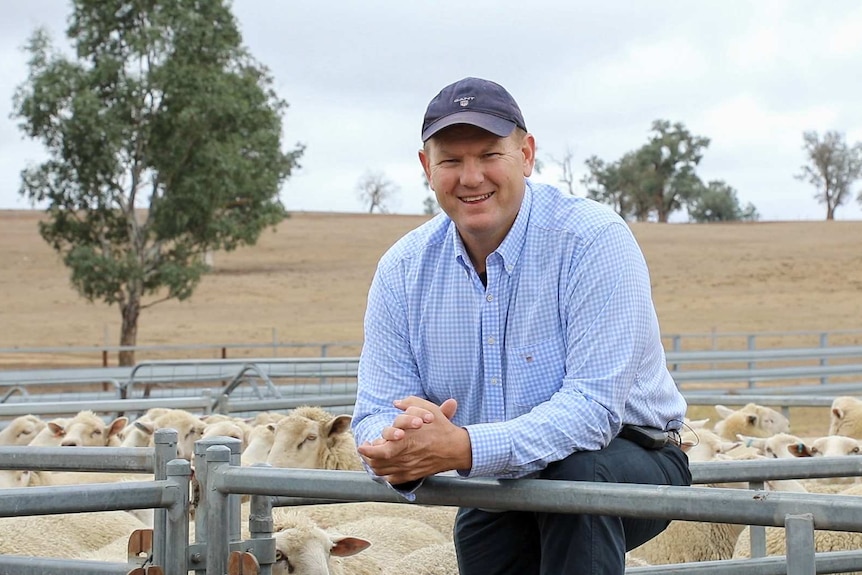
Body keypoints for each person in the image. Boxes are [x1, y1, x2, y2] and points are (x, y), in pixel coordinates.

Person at [351, 76, 691, 575]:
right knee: (484, 531)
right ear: (426, 167)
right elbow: (373, 411)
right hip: (501, 478)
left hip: (628, 456)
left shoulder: (592, 241)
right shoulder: (403, 270)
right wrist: (397, 444)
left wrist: (462, 446)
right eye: (451, 160)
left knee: (575, 484)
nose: (471, 177)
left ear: (526, 155)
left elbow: (594, 409)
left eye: (490, 154)